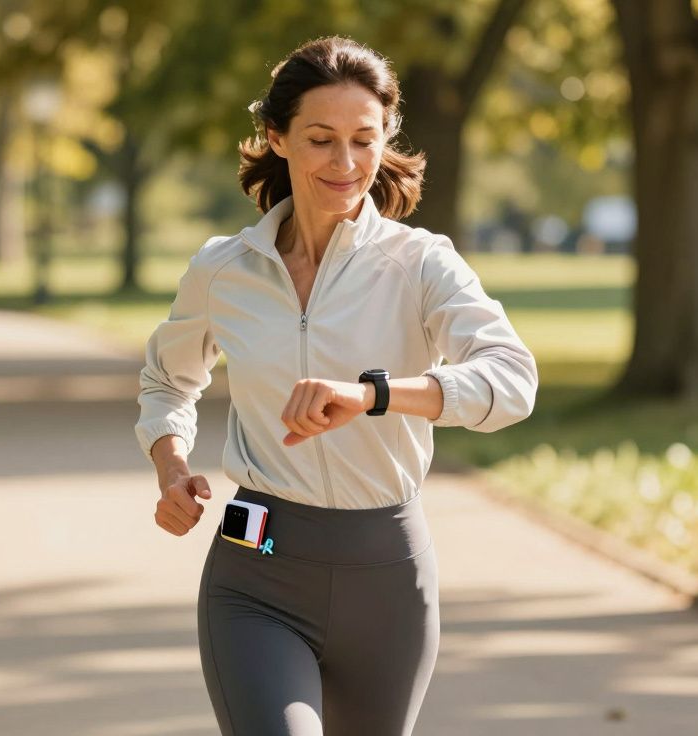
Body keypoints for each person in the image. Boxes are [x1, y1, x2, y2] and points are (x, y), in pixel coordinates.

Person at [134, 36, 538, 736]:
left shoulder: (421, 265)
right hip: (254, 564)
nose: (345, 163)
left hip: (387, 574)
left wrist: (374, 395)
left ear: (386, 141)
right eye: (321, 139)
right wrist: (171, 465)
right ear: (277, 138)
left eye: (363, 139)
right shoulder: (223, 270)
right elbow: (167, 378)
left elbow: (512, 380)